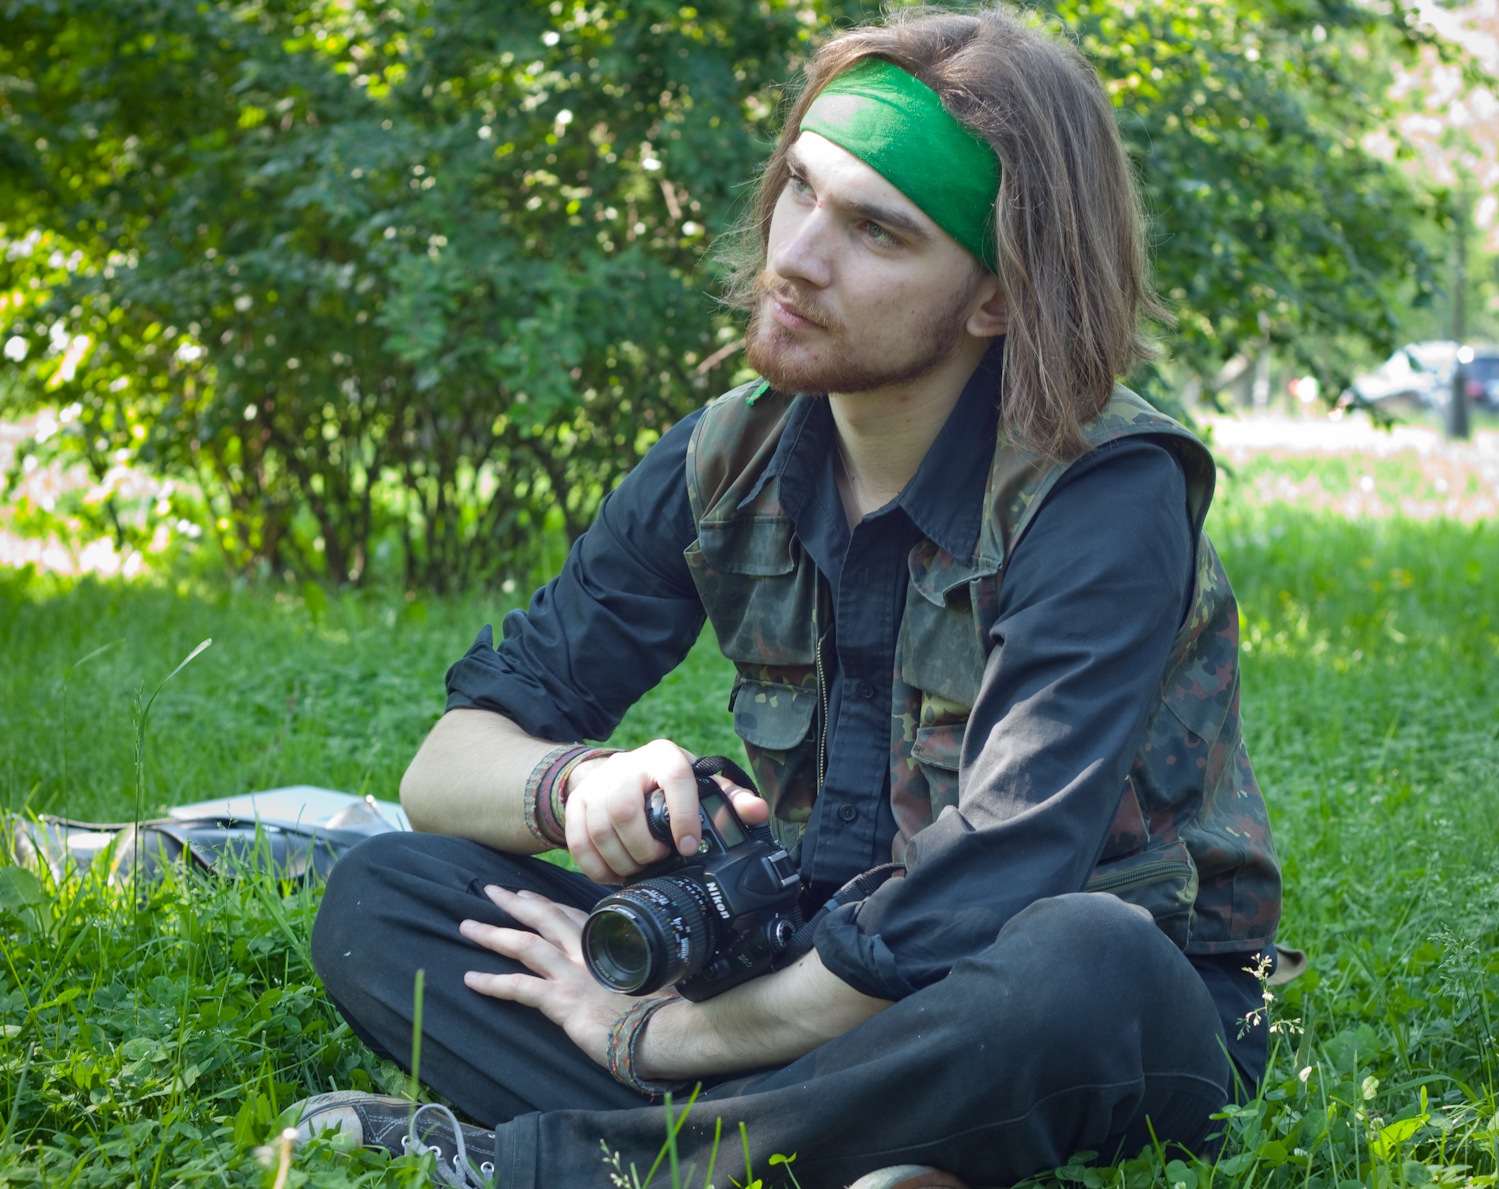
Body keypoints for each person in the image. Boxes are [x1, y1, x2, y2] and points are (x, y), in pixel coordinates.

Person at [294, 6, 1282, 1188]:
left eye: (877, 231)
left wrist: (656, 1037)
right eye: (801, 189)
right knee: (388, 896)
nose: (799, 256)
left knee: (1080, 961)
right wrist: (573, 784)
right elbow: (443, 769)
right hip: (811, 977)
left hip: (1067, 1001)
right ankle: (842, 1143)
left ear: (997, 296)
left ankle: (566, 1162)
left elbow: (992, 884)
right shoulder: (727, 456)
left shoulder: (1103, 491)